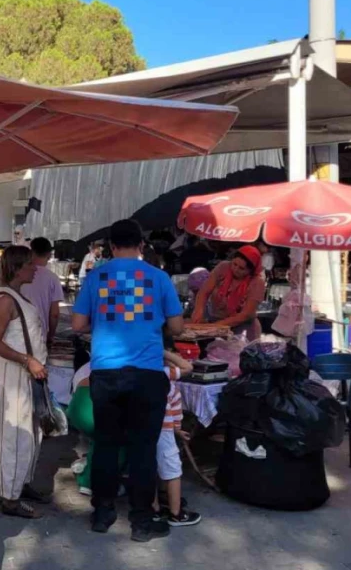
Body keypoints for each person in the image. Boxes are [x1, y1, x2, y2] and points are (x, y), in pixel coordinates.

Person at [71, 219, 184, 543]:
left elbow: (78, 324)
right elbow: (176, 329)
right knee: (143, 449)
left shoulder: (96, 277)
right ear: (142, 245)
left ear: (110, 246)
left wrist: (106, 321)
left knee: (105, 444)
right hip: (147, 374)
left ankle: (102, 514)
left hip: (106, 373)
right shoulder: (159, 278)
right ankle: (141, 522)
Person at [0, 245, 50, 519]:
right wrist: (27, 360)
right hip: (13, 375)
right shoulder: (5, 301)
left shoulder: (15, 297)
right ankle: (9, 498)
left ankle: (20, 484)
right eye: (29, 265)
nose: (35, 268)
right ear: (16, 267)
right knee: (13, 436)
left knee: (31, 434)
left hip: (27, 374)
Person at [157, 351, 201, 527]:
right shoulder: (163, 374)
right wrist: (164, 351)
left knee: (151, 467)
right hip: (164, 431)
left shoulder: (140, 372)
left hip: (145, 429)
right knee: (173, 471)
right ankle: (176, 514)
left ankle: (154, 509)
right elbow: (188, 367)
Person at [189, 245, 266, 340]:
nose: (235, 269)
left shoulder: (257, 282)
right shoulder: (223, 267)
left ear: (250, 270)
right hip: (216, 319)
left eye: (241, 268)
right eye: (234, 264)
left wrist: (215, 326)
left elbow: (246, 314)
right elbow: (205, 291)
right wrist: (199, 311)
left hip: (244, 328)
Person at [22, 237, 66, 346]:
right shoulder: (52, 278)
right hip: (40, 336)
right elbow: (54, 314)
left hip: (19, 334)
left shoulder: (19, 275)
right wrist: (51, 336)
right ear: (49, 255)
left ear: (31, 252)